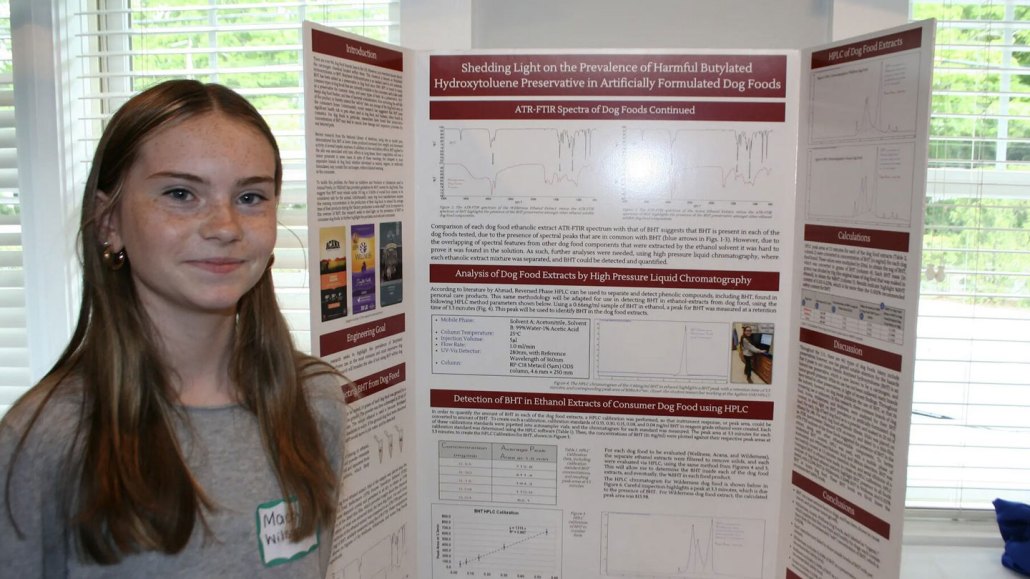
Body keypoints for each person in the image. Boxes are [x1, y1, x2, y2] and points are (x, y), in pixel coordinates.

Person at [0, 80, 346, 577]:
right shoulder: (50, 437)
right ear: (109, 221)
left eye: (250, 196)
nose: (225, 226)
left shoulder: (314, 403)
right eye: (181, 194)